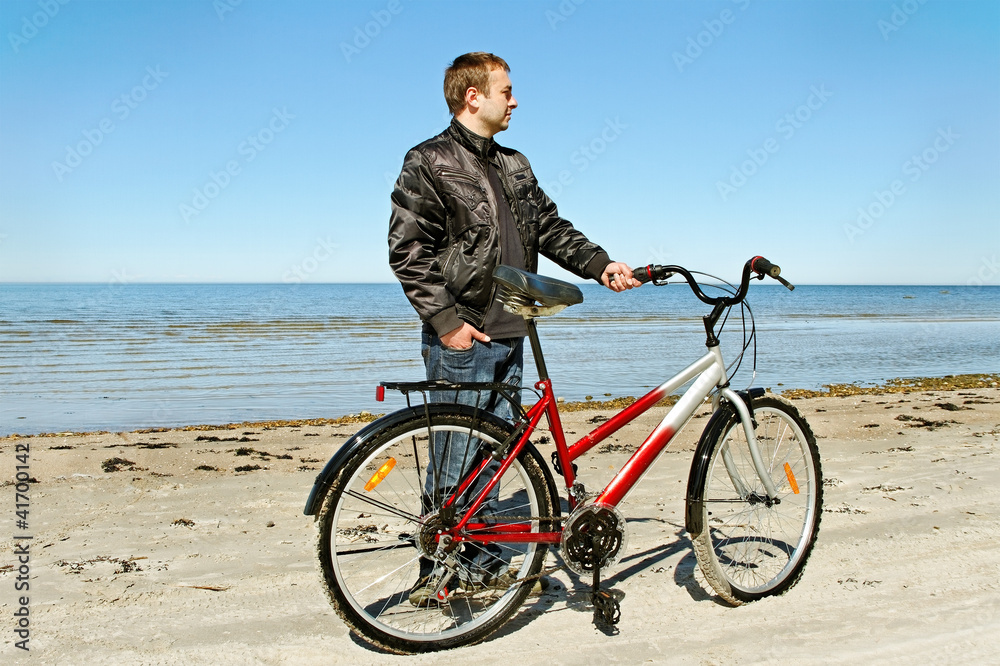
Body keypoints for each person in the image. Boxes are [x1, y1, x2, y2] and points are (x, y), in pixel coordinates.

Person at [388, 52, 638, 603]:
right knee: (455, 456)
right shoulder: (427, 161)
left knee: (496, 456)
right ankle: (439, 577)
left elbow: (551, 227)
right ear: (472, 96)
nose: (515, 100)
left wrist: (601, 264)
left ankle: (480, 566)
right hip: (464, 335)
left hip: (512, 331)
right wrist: (447, 322)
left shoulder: (516, 164)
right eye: (506, 90)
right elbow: (408, 251)